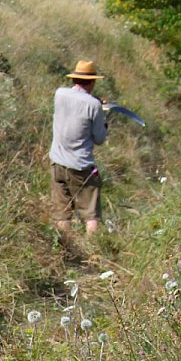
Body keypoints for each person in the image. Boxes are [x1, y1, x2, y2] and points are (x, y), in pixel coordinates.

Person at [50, 59, 110, 259]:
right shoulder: (94, 105)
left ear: (74, 78)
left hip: (57, 162)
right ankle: (91, 254)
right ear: (92, 82)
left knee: (62, 212)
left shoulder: (59, 94)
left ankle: (66, 253)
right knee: (91, 214)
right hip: (81, 166)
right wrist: (103, 117)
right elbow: (99, 139)